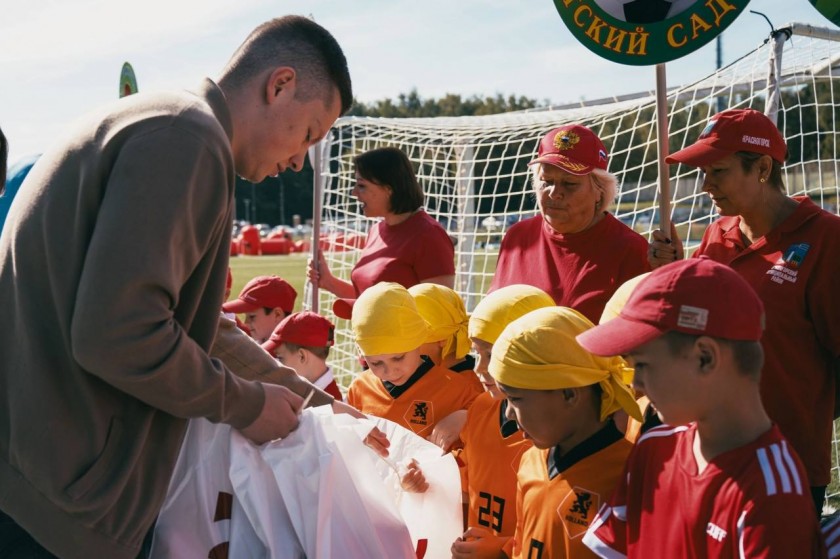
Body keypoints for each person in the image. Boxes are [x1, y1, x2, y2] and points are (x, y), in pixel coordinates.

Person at [0, 16, 353, 559]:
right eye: (308, 132)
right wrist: (245, 404)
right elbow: (119, 333)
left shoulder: (166, 123)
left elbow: (196, 328)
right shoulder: (188, 138)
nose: (299, 160)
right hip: (54, 512)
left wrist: (320, 408)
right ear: (279, 84)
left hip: (39, 488)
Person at [648, 108, 840, 513]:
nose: (705, 185)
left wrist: (806, 413)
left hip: (786, 468)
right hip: (709, 453)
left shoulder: (827, 238)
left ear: (763, 168)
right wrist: (671, 273)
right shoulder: (718, 234)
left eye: (718, 171)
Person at [577, 258, 825, 558]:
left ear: (705, 358)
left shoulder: (773, 494)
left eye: (641, 365)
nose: (636, 385)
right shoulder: (654, 449)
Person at [488, 306, 641, 559]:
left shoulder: (630, 479)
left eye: (515, 399)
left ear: (570, 394)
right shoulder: (531, 460)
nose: (508, 414)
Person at [489, 124, 650, 324]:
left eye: (569, 183)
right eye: (546, 181)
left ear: (600, 190)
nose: (554, 193)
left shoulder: (630, 251)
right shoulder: (517, 238)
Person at [447, 285, 554, 558]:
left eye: (491, 354)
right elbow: (466, 486)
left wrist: (502, 548)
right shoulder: (481, 408)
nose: (479, 368)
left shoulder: (554, 429)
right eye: (477, 353)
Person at [307, 146, 455, 320]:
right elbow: (370, 301)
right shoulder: (375, 231)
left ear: (389, 188)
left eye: (361, 185)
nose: (354, 192)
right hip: (373, 345)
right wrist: (329, 282)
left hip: (408, 346)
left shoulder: (428, 235)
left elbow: (439, 315)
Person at [347, 282, 481, 439]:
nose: (389, 371)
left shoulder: (460, 391)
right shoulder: (359, 388)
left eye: (398, 358)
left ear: (419, 340)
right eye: (376, 363)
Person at [408, 282, 482, 391]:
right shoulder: (427, 375)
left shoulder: (467, 388)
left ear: (442, 338)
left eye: (411, 340)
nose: (402, 349)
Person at [262, 310, 343, 401]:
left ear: (302, 356)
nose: (275, 364)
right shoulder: (304, 392)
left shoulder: (326, 409)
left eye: (280, 358)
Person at [222, 274, 297, 343]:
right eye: (246, 316)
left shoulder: (292, 354)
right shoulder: (259, 341)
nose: (246, 323)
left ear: (277, 314)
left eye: (252, 317)